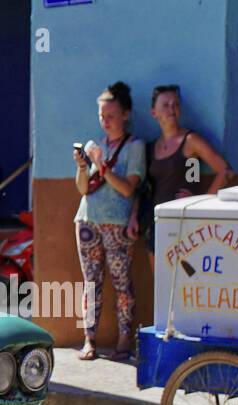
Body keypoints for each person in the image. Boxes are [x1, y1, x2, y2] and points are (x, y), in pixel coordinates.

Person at [74, 81, 145, 362]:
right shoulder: (97, 145)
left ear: (125, 115)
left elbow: (129, 188)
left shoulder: (135, 146)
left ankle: (124, 338)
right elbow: (83, 188)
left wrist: (101, 165)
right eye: (102, 116)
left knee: (121, 282)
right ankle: (89, 339)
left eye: (111, 115)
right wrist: (83, 166)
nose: (105, 121)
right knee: (91, 282)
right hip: (87, 220)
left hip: (117, 223)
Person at [129, 84, 233, 271]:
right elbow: (144, 187)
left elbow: (224, 171)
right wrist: (134, 216)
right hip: (157, 225)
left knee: (185, 285)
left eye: (175, 104)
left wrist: (200, 203)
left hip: (184, 224)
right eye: (166, 105)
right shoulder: (151, 147)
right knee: (160, 287)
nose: (172, 109)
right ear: (154, 113)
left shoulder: (190, 141)